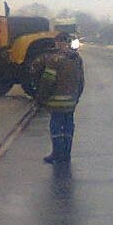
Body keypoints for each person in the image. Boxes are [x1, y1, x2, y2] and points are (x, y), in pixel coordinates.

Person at [34, 32, 85, 164]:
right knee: (68, 126)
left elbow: (48, 80)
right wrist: (76, 97)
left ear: (58, 42)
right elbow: (81, 81)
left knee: (56, 126)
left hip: (56, 101)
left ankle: (57, 154)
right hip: (71, 100)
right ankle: (66, 154)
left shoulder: (54, 59)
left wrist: (40, 98)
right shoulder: (76, 58)